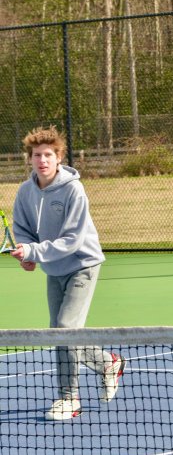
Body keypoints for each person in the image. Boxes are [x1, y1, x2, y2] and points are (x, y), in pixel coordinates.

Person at [10, 126, 126, 420]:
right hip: (54, 268)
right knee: (59, 332)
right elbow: (22, 230)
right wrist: (26, 252)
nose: (43, 160)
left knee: (65, 327)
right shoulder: (25, 192)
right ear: (30, 159)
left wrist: (35, 252)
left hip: (82, 264)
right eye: (37, 155)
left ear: (58, 157)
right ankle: (107, 363)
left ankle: (69, 398)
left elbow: (72, 239)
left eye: (48, 154)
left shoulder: (73, 189)